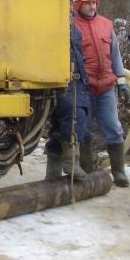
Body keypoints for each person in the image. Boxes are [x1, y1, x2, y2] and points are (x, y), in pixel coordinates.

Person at [73, 0, 130, 187]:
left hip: (106, 87)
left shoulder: (106, 25)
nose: (92, 6)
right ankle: (87, 171)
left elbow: (115, 55)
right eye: (88, 2)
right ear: (79, 4)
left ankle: (119, 172)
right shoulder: (72, 26)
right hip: (84, 87)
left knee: (113, 127)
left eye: (94, 2)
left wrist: (121, 81)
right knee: (84, 129)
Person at [45, 25, 91, 181]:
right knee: (70, 116)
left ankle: (59, 167)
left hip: (74, 81)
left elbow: (79, 57)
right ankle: (69, 163)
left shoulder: (75, 30)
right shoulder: (49, 25)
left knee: (72, 117)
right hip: (57, 79)